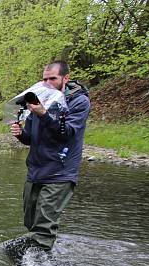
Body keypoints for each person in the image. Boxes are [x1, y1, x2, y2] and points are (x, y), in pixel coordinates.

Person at [10, 60, 90, 252]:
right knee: (31, 223)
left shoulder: (79, 101)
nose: (48, 83)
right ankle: (36, 257)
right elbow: (31, 138)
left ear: (65, 78)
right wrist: (20, 133)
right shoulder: (38, 97)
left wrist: (44, 114)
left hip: (60, 173)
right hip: (36, 171)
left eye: (52, 78)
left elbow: (67, 133)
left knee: (44, 227)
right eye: (44, 79)